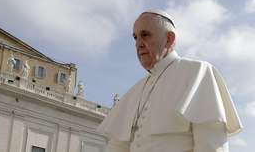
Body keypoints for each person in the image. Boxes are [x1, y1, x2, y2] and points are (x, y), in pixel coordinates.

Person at [97, 10, 242, 152]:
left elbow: (211, 145)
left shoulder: (197, 73)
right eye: (135, 37)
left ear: (169, 39)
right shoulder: (135, 91)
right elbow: (117, 146)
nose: (138, 44)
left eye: (145, 35)